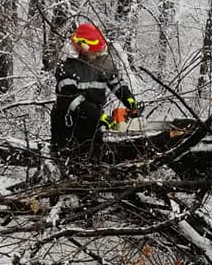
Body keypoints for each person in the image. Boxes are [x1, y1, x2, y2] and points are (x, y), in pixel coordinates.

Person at [50, 22, 143, 163]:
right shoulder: (66, 68)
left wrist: (129, 99)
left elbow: (116, 82)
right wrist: (100, 116)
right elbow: (71, 99)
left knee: (94, 159)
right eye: (94, 52)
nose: (97, 55)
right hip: (68, 125)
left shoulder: (102, 64)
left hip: (93, 123)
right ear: (82, 48)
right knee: (71, 162)